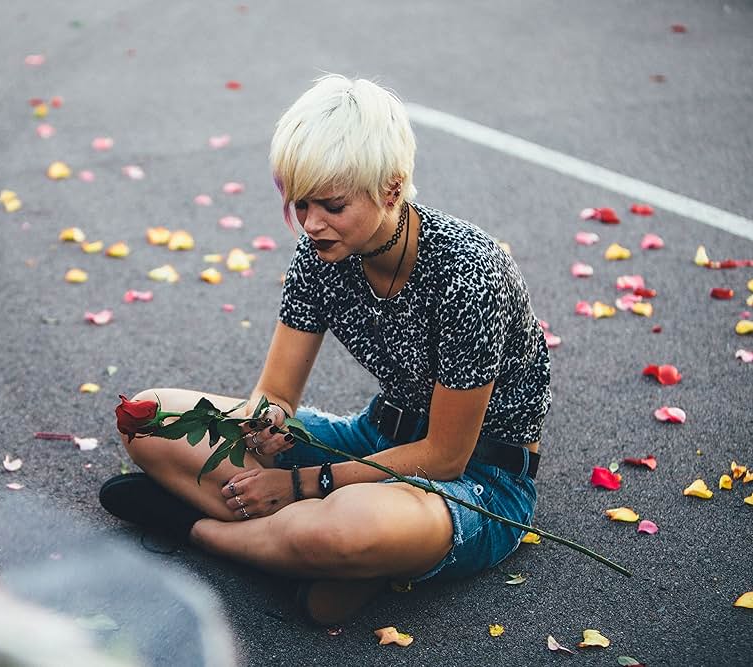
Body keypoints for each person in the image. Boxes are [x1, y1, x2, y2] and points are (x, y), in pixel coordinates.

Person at [99, 74, 551, 625]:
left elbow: (445, 456)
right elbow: (275, 392)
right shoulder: (318, 254)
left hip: (478, 480)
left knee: (345, 527)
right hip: (373, 438)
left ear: (392, 188)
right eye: (301, 203)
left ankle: (204, 532)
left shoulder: (469, 271)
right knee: (149, 420)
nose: (312, 224)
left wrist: (296, 485)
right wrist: (267, 420)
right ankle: (310, 555)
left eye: (333, 205)